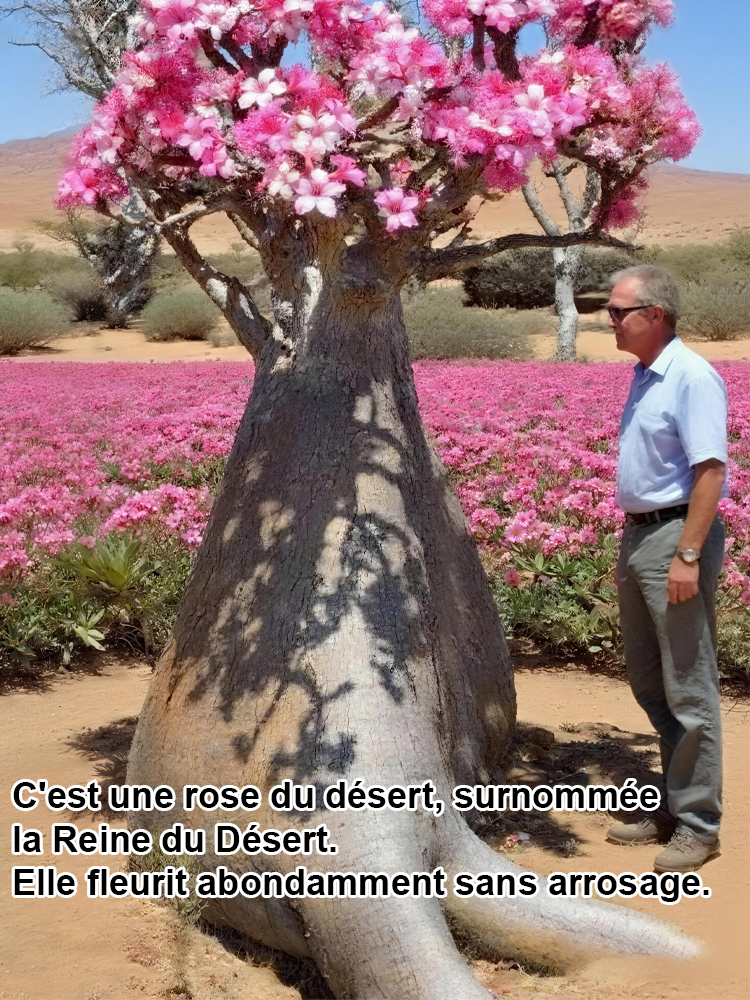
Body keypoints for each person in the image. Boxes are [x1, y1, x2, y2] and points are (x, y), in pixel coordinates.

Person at [604, 264, 728, 873]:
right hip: (642, 538)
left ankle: (699, 825)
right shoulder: (644, 376)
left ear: (655, 315)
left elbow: (710, 471)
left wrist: (685, 553)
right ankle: (677, 804)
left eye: (618, 311)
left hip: (676, 537)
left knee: (688, 684)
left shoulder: (690, 377)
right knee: (650, 681)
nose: (610, 322)